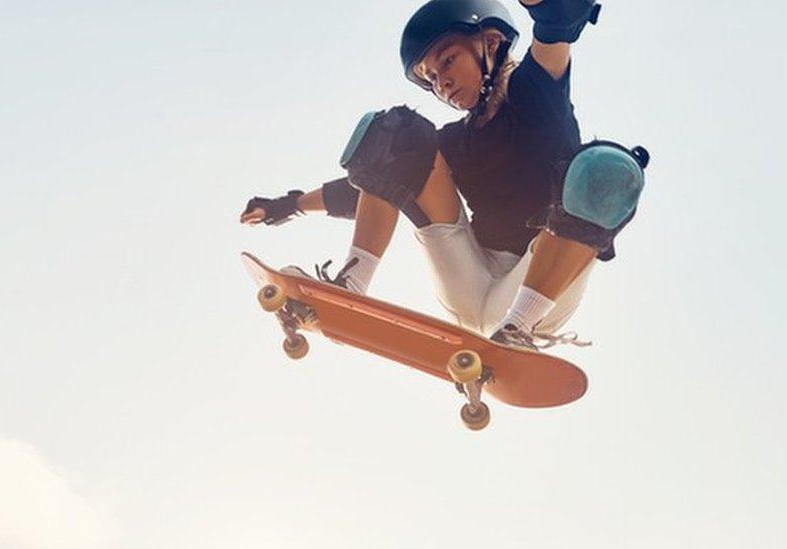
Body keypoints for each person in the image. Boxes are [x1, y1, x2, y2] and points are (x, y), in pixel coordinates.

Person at [240, 0, 648, 350]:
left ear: (489, 44)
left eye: (448, 61)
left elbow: (556, 27)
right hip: (467, 278)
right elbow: (373, 186)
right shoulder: (454, 142)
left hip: (537, 291)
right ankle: (352, 283)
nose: (442, 82)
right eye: (431, 78)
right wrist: (291, 204)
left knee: (608, 169)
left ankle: (517, 330)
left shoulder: (536, 90)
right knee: (398, 135)